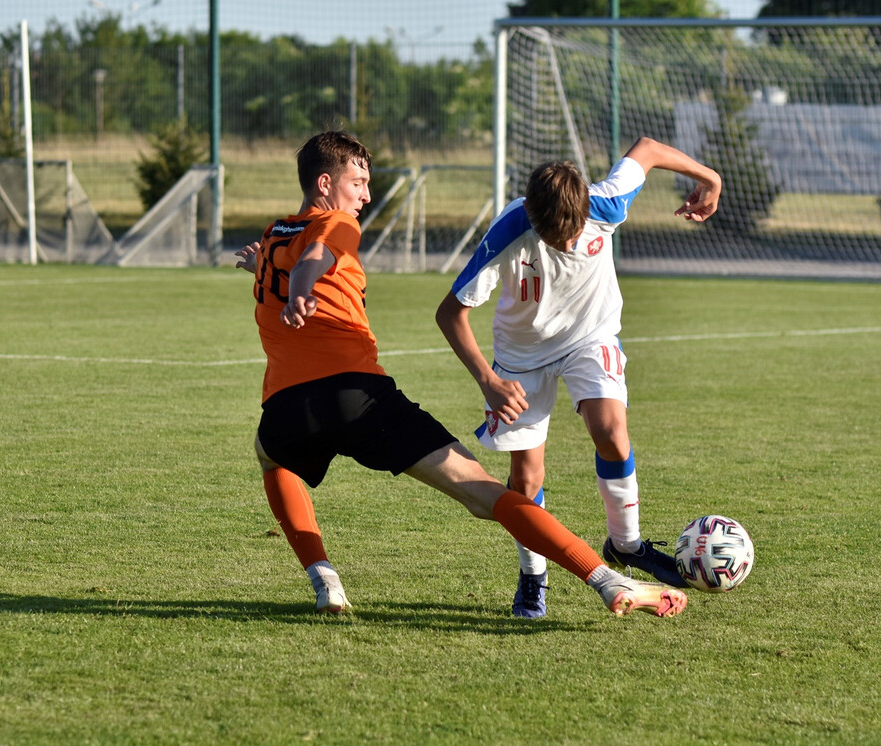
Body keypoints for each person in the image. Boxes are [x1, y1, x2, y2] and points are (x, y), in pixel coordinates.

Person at [235, 130, 688, 620]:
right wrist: (304, 284)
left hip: (286, 406)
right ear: (325, 184)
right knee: (484, 491)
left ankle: (325, 580)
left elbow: (293, 262)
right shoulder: (340, 224)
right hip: (359, 397)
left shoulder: (274, 234)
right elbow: (317, 256)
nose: (365, 194)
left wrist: (268, 269)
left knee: (272, 458)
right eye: (358, 182)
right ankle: (604, 578)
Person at [436, 138, 721, 618]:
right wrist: (488, 380)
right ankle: (533, 576)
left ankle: (625, 545)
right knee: (526, 480)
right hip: (522, 356)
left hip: (590, 336)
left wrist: (709, 178)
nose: (570, 245)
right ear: (534, 218)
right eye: (557, 239)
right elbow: (450, 313)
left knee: (611, 432)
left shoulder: (605, 202)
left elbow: (647, 150)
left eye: (575, 236)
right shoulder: (510, 230)